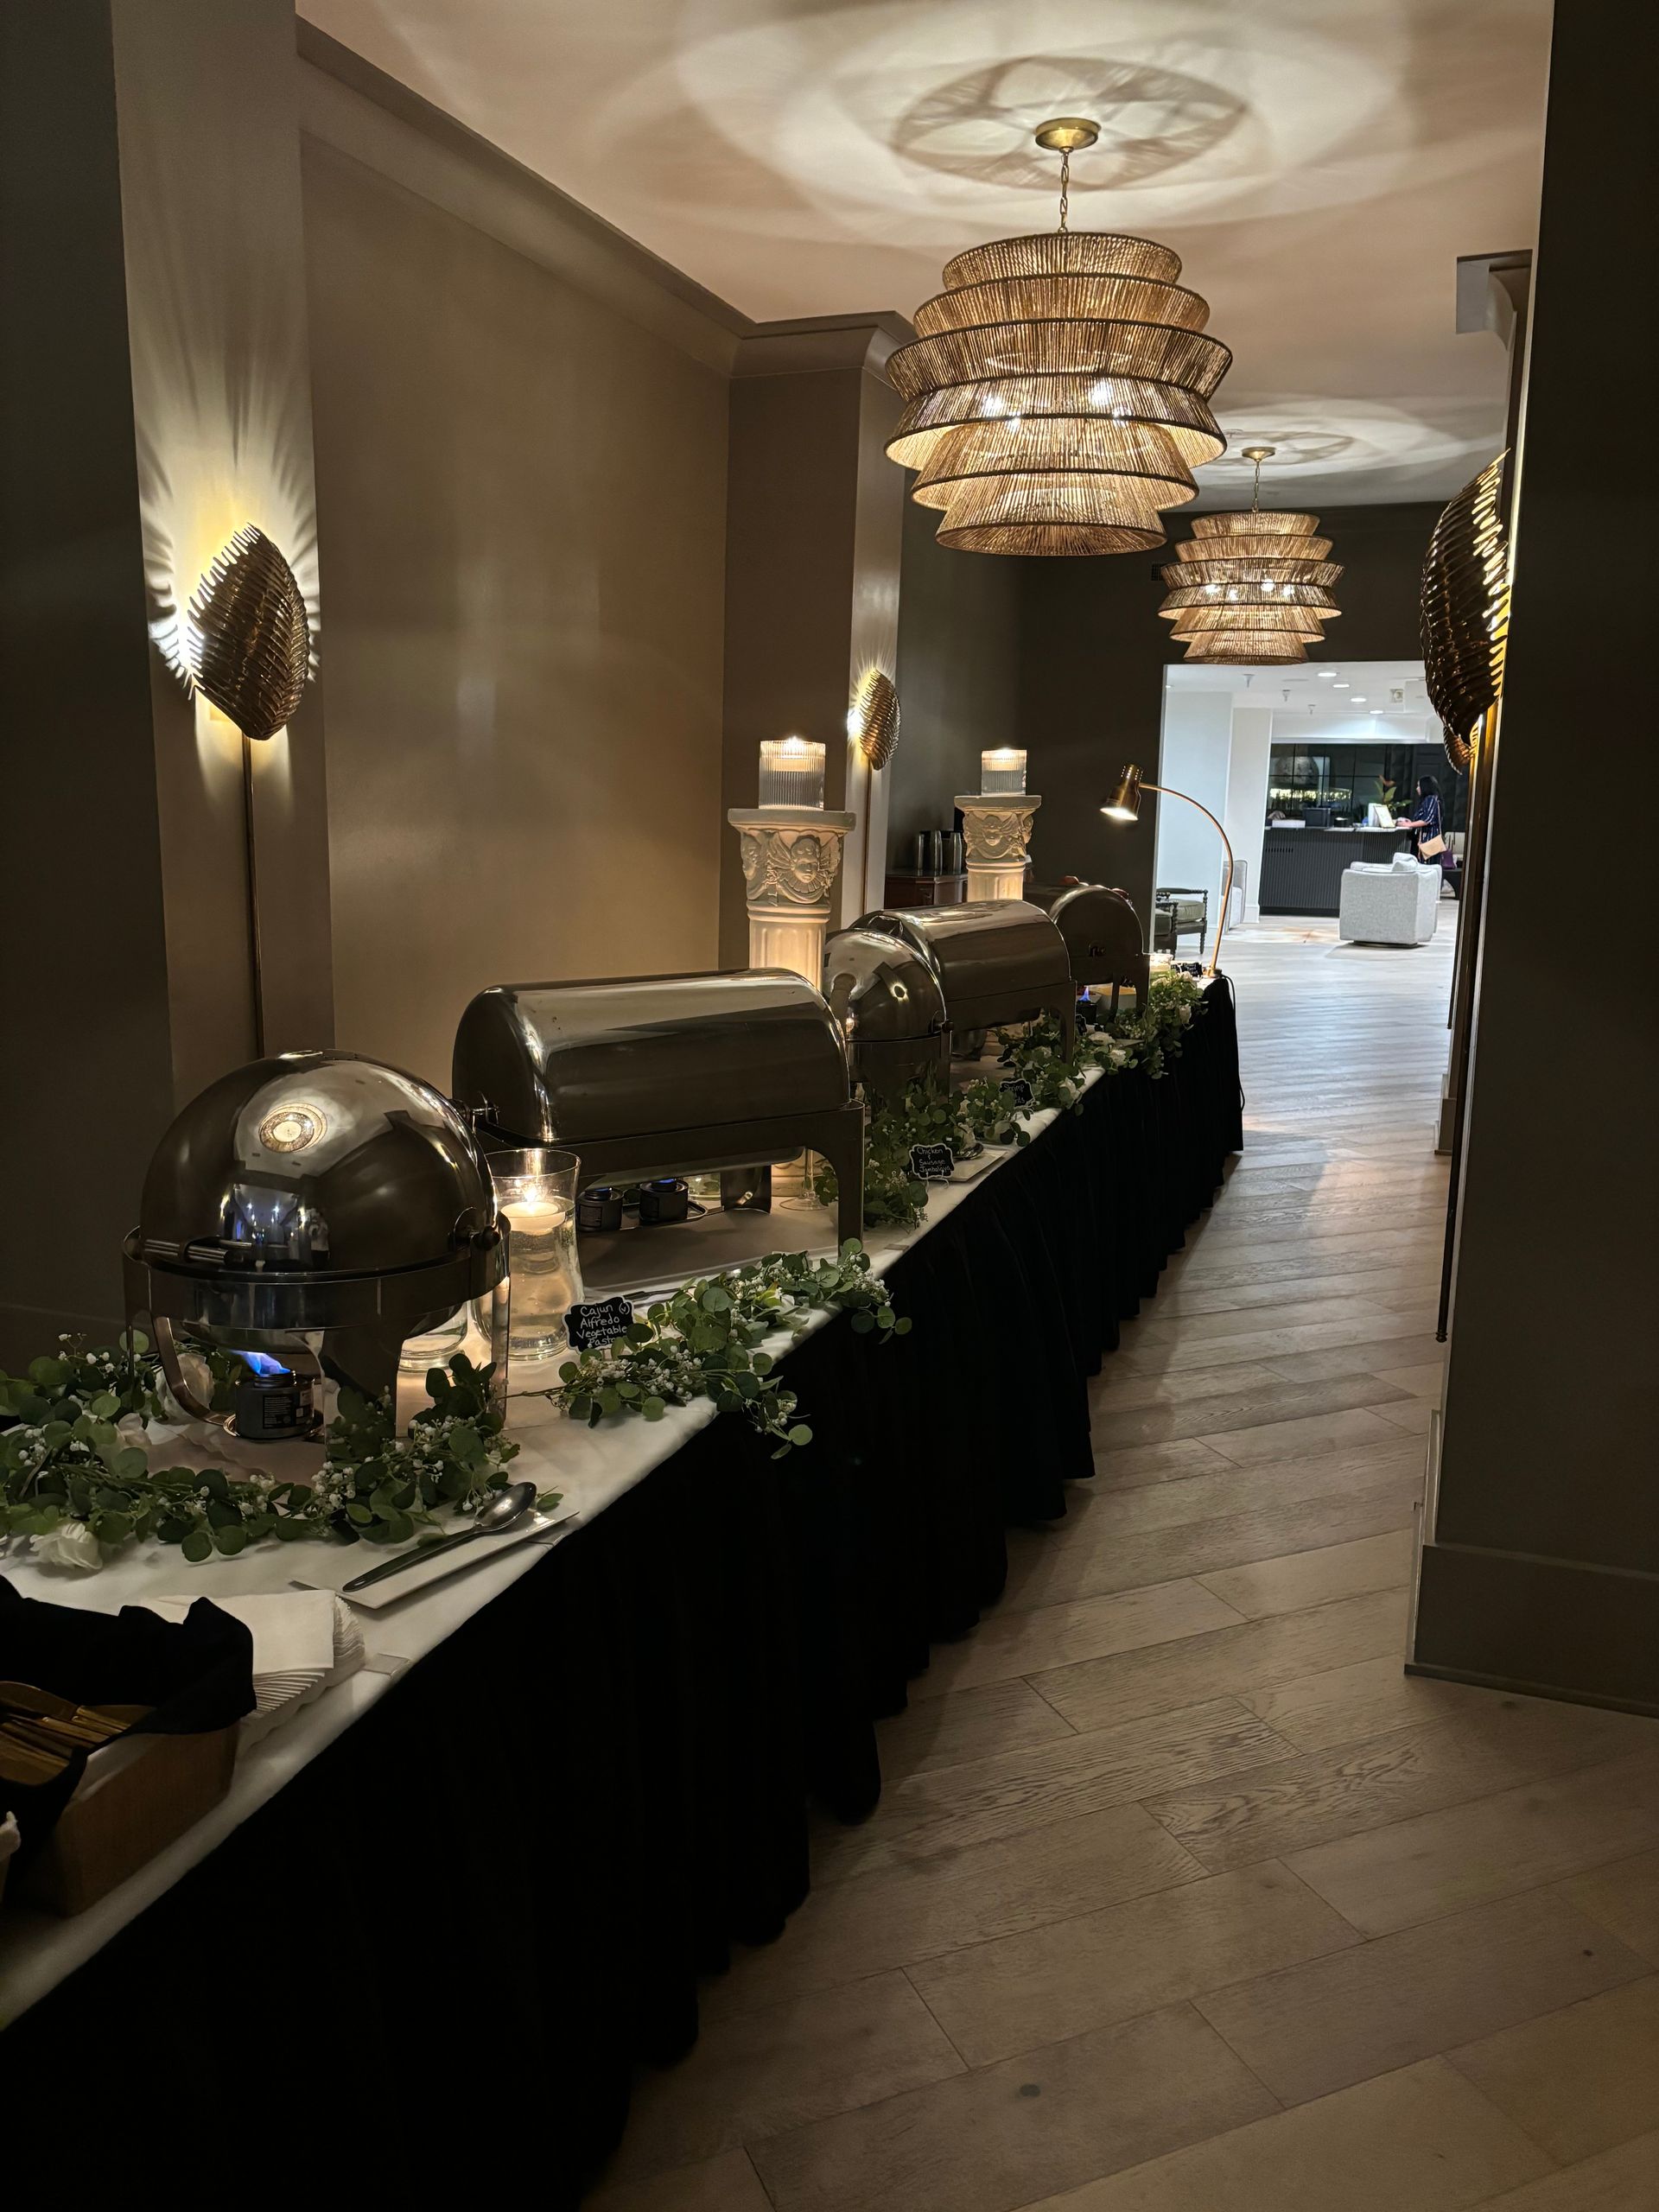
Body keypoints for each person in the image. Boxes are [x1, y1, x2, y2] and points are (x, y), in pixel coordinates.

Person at [1395, 774, 1458, 897]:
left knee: (1427, 868)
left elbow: (1426, 820)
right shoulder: (1435, 799)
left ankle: (1426, 894)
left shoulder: (1430, 800)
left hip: (1429, 840)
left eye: (1418, 786)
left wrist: (1410, 825)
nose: (1417, 789)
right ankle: (1429, 893)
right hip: (1431, 839)